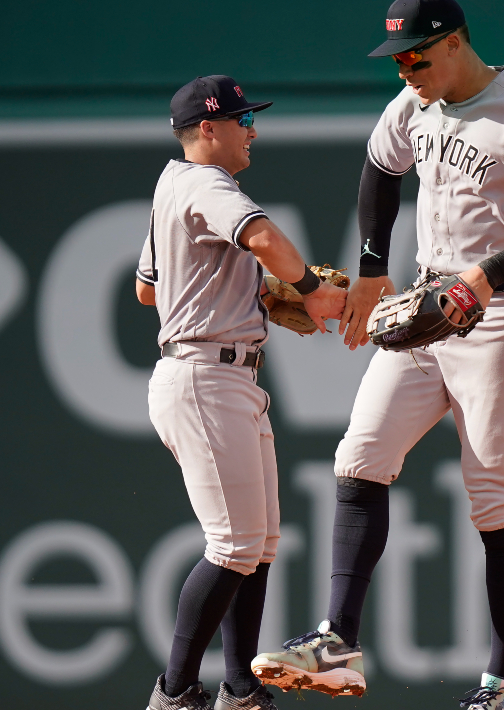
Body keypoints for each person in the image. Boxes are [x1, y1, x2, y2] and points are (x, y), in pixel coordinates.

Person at [251, 0, 504, 709]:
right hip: (427, 304)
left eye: (417, 54)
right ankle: (336, 641)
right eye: (397, 59)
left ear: (457, 43)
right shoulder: (414, 106)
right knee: (359, 456)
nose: (405, 69)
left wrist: (489, 273)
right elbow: (380, 167)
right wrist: (373, 269)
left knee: (495, 498)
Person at [136, 75, 347, 710]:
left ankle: (238, 687)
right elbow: (259, 237)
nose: (251, 129)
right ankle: (174, 692)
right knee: (232, 545)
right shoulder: (206, 183)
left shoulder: (171, 185)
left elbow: (149, 290)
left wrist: (234, 289)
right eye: (241, 120)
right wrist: (308, 286)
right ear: (208, 128)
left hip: (222, 372)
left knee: (258, 544)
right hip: (204, 374)